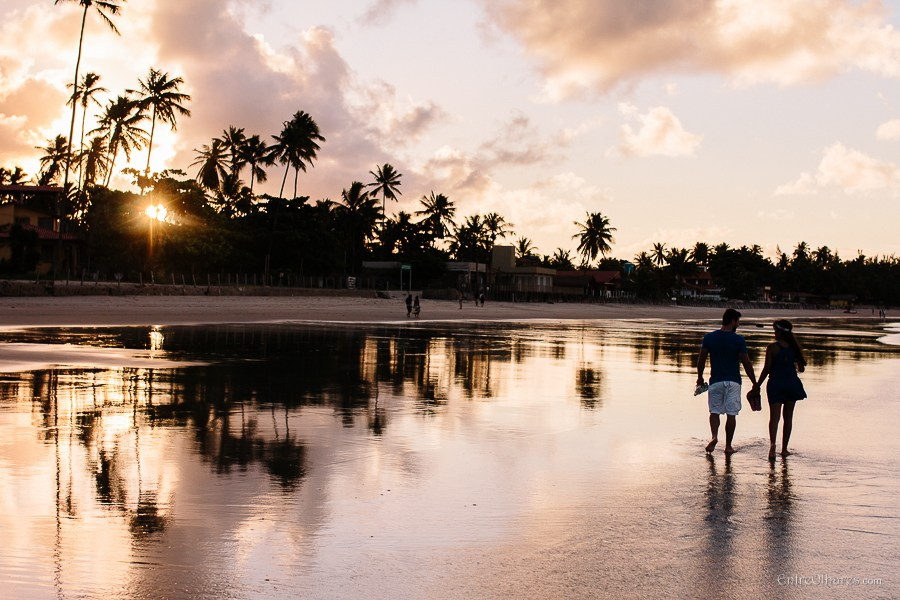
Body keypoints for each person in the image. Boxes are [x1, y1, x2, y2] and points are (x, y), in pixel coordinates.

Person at [696, 308, 758, 455]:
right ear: (732, 321)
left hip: (716, 381)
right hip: (733, 382)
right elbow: (746, 363)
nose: (738, 325)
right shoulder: (739, 340)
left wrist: (700, 377)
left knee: (714, 411)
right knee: (731, 414)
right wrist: (754, 382)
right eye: (738, 322)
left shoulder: (709, 338)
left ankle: (714, 437)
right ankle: (728, 446)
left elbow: (701, 360)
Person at [750, 320, 807, 461]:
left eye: (775, 330)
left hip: (776, 384)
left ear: (780, 332)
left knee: (774, 418)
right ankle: (785, 449)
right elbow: (801, 368)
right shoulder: (794, 348)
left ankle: (772, 445)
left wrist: (757, 385)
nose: (774, 333)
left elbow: (767, 369)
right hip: (791, 384)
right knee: (788, 418)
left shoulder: (772, 348)